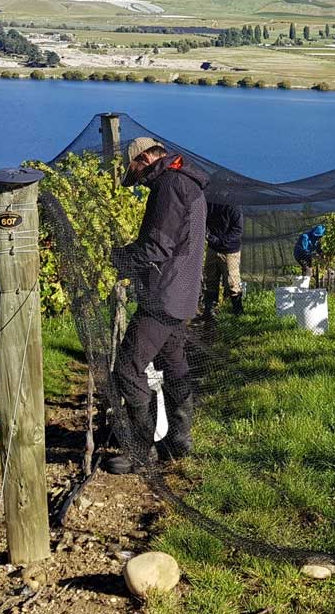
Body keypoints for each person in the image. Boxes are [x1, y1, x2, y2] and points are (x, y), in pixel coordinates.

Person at [107, 137, 209, 472]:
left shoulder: (170, 186)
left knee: (127, 367)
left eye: (136, 171)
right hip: (182, 292)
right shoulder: (188, 183)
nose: (138, 180)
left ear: (146, 158)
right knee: (174, 363)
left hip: (164, 295)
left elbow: (157, 247)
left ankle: (142, 450)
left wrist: (119, 258)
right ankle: (178, 443)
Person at [202, 200, 244, 320]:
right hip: (213, 248)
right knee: (210, 279)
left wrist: (220, 241)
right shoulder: (211, 204)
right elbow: (204, 220)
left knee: (232, 282)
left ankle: (238, 312)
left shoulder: (234, 207)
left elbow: (237, 231)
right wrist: (209, 236)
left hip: (230, 250)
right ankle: (209, 311)